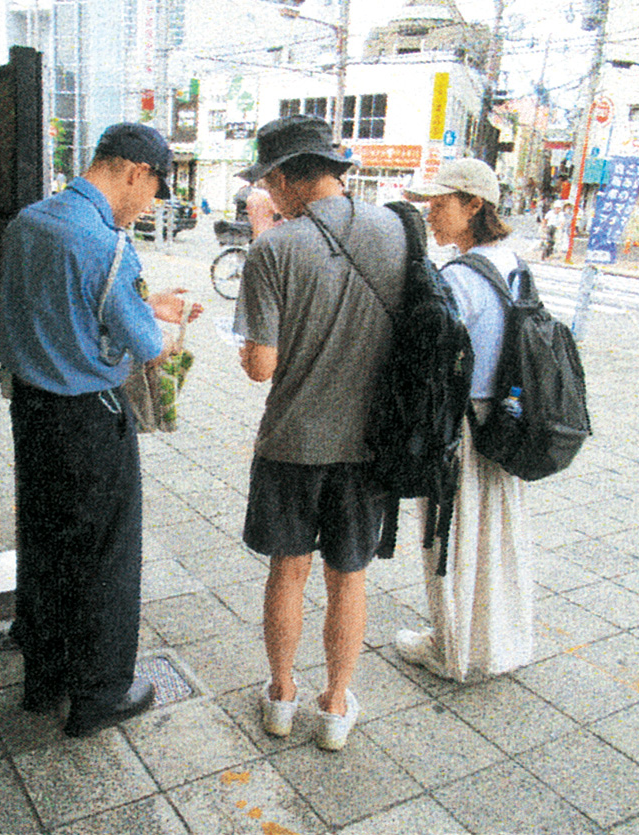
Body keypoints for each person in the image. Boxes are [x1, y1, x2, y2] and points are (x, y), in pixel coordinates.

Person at [0, 122, 202, 737]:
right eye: (155, 187)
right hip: (89, 417)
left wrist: (144, 301)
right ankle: (100, 693)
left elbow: (55, 305)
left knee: (46, 537)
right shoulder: (108, 243)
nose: (151, 203)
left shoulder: (29, 222)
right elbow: (143, 345)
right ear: (135, 170)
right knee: (105, 555)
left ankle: (44, 679)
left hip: (30, 410)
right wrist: (161, 323)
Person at [234, 115, 407, 751]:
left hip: (293, 443)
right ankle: (335, 706)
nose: (268, 195)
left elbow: (261, 367)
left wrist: (263, 239)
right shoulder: (398, 229)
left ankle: (282, 695)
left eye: (267, 183)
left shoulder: (274, 248)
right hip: (368, 446)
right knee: (349, 574)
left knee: (289, 569)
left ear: (282, 178)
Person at [396, 158, 534, 682]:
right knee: (498, 539)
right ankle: (499, 641)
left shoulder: (457, 278)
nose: (430, 215)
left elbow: (426, 357)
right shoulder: (515, 263)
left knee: (449, 539)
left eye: (439, 204)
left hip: (461, 429)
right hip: (506, 421)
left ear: (474, 205)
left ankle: (451, 647)